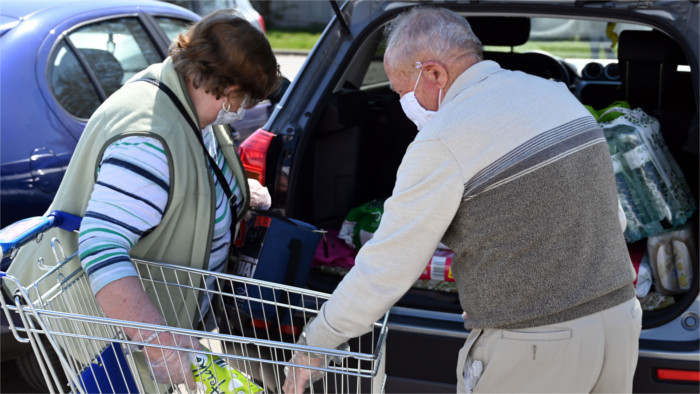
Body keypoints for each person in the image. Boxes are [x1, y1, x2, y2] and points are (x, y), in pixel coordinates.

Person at [283, 7, 641, 394]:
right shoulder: (555, 95)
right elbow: (611, 218)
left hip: (537, 344)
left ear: (434, 73)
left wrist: (315, 343)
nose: (405, 103)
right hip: (620, 319)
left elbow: (387, 266)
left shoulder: (443, 139)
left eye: (403, 90)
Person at [7, 9, 280, 391]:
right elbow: (102, 249)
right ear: (229, 88)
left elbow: (186, 180)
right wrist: (163, 347)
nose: (245, 109)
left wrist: (236, 194)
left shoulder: (187, 106)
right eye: (247, 98)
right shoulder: (149, 139)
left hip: (148, 332)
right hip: (100, 344)